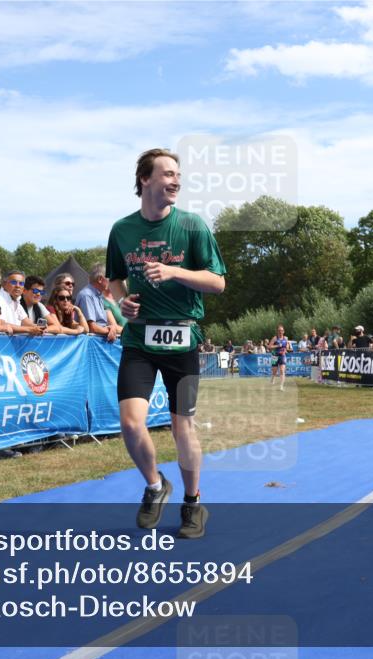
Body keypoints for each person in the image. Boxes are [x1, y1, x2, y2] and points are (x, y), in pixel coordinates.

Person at [106, 148, 226, 539]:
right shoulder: (122, 230)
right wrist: (121, 302)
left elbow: (218, 282)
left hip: (182, 340)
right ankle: (156, 486)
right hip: (139, 339)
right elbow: (114, 281)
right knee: (130, 422)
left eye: (178, 175)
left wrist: (175, 271)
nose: (176, 181)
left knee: (182, 428)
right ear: (145, 179)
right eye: (168, 174)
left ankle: (193, 503)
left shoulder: (193, 226)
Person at [75, 263, 121, 342]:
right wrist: (110, 330)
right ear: (100, 279)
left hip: (98, 343)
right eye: (108, 277)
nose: (110, 281)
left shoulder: (98, 296)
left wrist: (111, 328)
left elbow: (101, 323)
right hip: (90, 345)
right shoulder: (87, 295)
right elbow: (92, 328)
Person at [0, 269, 47, 335]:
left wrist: (38, 328)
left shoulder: (16, 301)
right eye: (14, 282)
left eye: (21, 283)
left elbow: (26, 322)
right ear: (4, 284)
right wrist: (30, 329)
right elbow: (0, 324)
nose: (18, 286)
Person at [269, 324, 292, 390]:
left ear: (283, 331)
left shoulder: (285, 338)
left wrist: (286, 349)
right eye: (279, 330)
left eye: (281, 330)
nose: (280, 332)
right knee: (274, 371)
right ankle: (273, 378)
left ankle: (281, 386)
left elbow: (287, 346)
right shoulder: (275, 338)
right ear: (277, 331)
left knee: (282, 370)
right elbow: (269, 346)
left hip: (282, 355)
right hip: (275, 355)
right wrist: (278, 345)